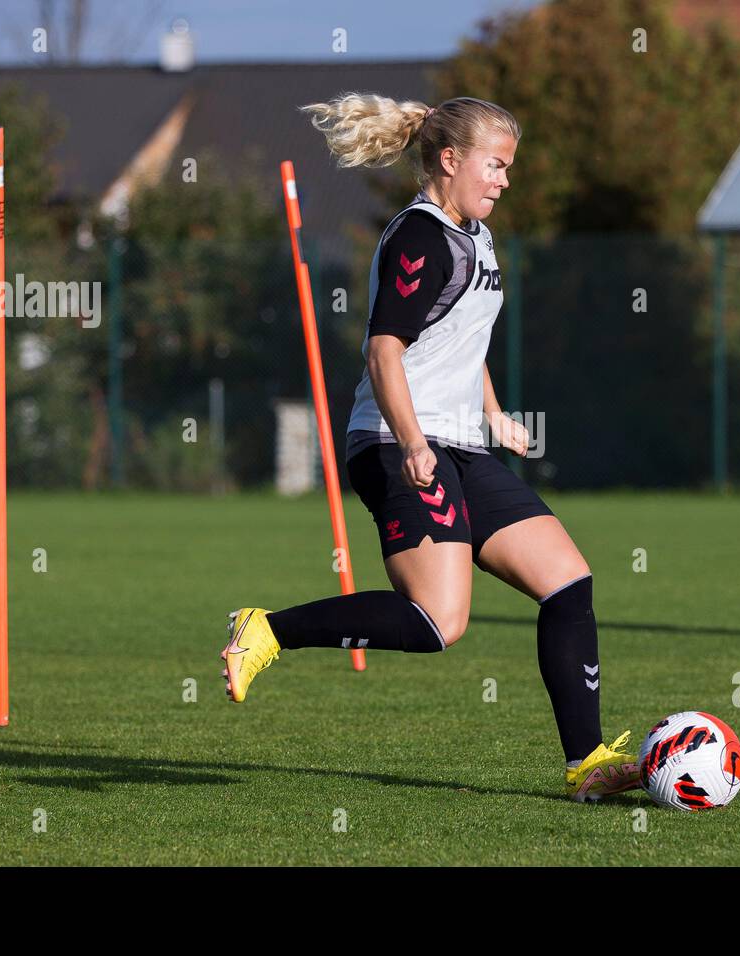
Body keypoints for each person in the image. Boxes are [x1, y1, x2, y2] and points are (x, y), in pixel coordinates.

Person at [220, 93, 639, 801]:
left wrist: (496, 414)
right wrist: (413, 444)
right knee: (439, 622)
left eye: (509, 167)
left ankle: (587, 764)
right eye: (496, 165)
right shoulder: (422, 236)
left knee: (567, 582)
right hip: (394, 439)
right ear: (450, 160)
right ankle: (266, 629)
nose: (506, 179)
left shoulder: (475, 231)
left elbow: (458, 338)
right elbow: (387, 351)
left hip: (459, 443)